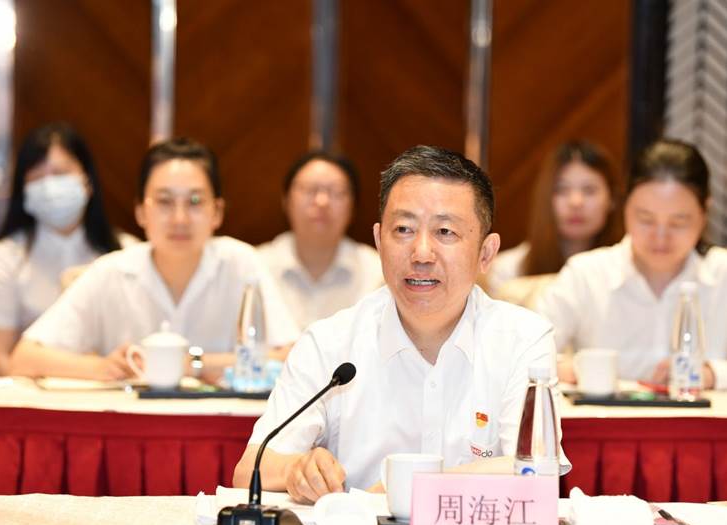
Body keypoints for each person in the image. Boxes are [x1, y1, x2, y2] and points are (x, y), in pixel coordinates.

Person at [233, 145, 570, 503]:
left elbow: (536, 469)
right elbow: (249, 469)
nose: (421, 253)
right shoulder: (329, 342)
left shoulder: (524, 340)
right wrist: (296, 470)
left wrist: (404, 487)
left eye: (445, 232)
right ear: (379, 241)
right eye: (404, 229)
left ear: (485, 253)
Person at [535, 139, 727, 390]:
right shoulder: (586, 274)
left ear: (704, 212)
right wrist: (558, 367)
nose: (660, 237)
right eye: (645, 219)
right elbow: (521, 354)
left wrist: (713, 374)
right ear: (624, 206)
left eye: (678, 222)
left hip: (699, 432)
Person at [9, 137, 298, 381]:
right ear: (140, 212)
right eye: (164, 201)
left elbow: (292, 358)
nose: (180, 219)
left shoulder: (241, 263)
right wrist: (102, 368)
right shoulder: (111, 271)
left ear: (217, 212)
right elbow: (24, 358)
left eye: (195, 201)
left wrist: (195, 365)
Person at [0, 123, 136, 376]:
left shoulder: (127, 253)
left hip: (113, 389)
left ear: (87, 181)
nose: (50, 187)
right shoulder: (6, 258)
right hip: (30, 392)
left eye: (60, 173)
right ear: (23, 190)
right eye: (37, 177)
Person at [256, 151, 383, 329]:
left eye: (337, 192)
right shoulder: (256, 266)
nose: (322, 201)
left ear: (353, 207)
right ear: (286, 200)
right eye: (309, 190)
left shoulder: (379, 272)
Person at [485, 140, 622, 296]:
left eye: (589, 190)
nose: (576, 202)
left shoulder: (627, 270)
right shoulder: (509, 271)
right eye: (562, 190)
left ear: (613, 199)